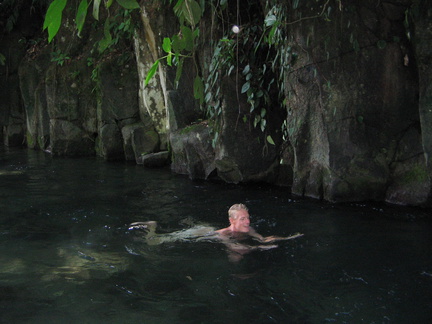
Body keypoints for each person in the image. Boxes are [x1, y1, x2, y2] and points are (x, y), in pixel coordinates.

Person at [215, 203, 303, 261]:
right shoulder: (223, 234)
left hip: (245, 244)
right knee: (236, 257)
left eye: (248, 218)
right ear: (232, 221)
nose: (248, 222)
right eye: (242, 219)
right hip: (232, 248)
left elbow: (263, 239)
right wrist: (259, 247)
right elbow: (236, 247)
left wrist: (287, 238)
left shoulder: (249, 229)